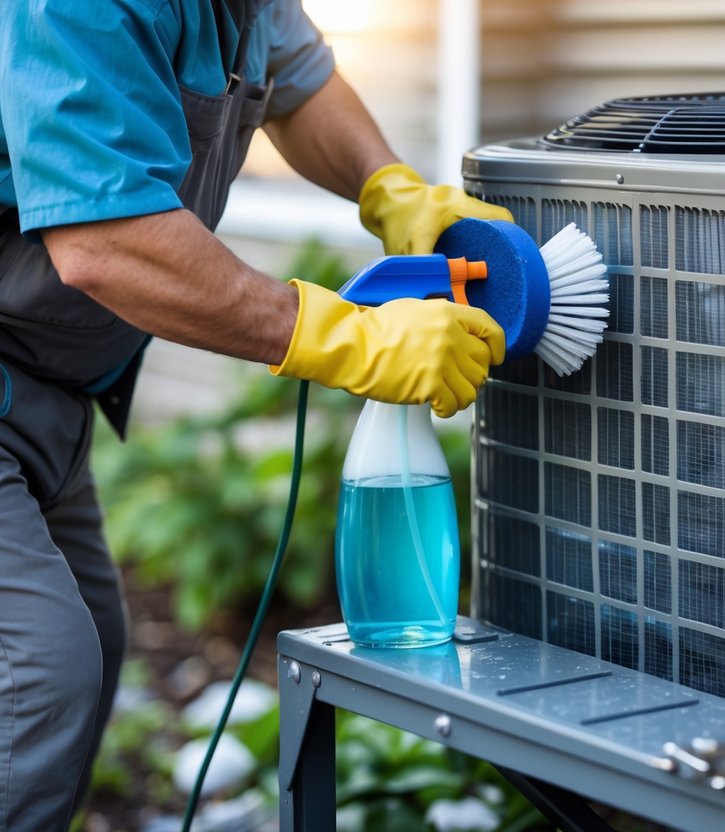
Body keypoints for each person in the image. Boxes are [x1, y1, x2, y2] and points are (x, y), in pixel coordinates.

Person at [0, 1, 511, 827]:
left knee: (89, 648)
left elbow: (298, 84)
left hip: (48, 396)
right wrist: (341, 337)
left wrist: (390, 188)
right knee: (38, 677)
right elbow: (104, 242)